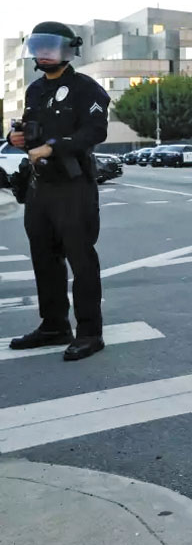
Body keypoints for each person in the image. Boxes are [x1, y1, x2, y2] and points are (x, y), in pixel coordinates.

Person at [5, 22, 109, 361]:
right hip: (40, 187)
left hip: (73, 186)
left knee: (81, 259)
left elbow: (96, 131)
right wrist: (17, 139)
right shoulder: (35, 90)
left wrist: (53, 147)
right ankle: (53, 325)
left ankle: (90, 332)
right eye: (39, 46)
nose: (44, 53)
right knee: (44, 258)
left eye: (51, 46)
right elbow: (30, 131)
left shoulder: (85, 88)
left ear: (67, 49)